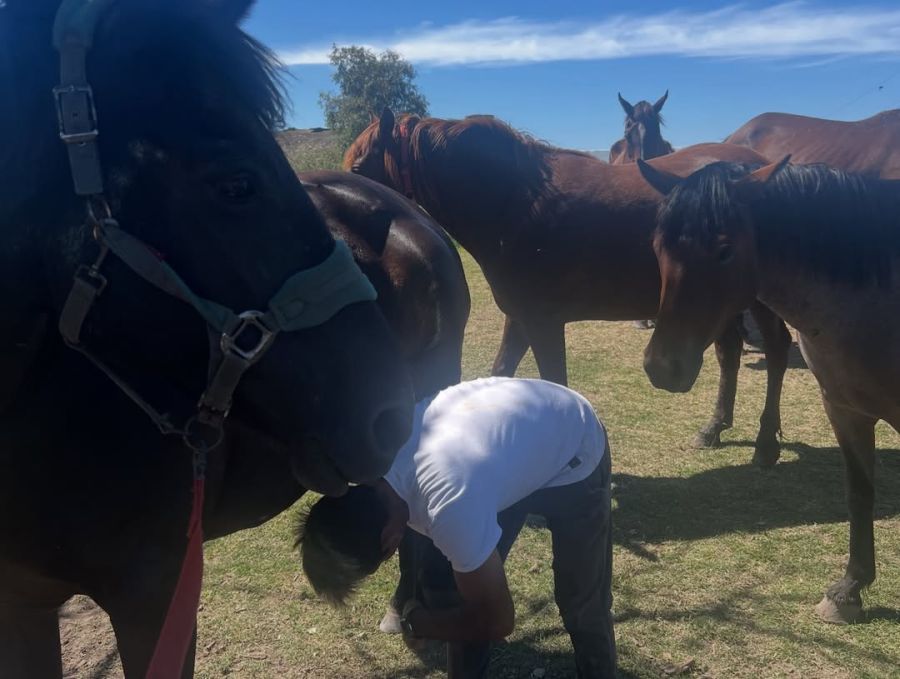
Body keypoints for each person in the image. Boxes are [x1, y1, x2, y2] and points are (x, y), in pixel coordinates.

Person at [298, 377, 616, 678]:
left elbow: (498, 619)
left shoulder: (448, 503)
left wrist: (418, 623)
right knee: (460, 590)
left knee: (581, 601)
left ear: (389, 540)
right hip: (508, 443)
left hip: (576, 447)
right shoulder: (375, 457)